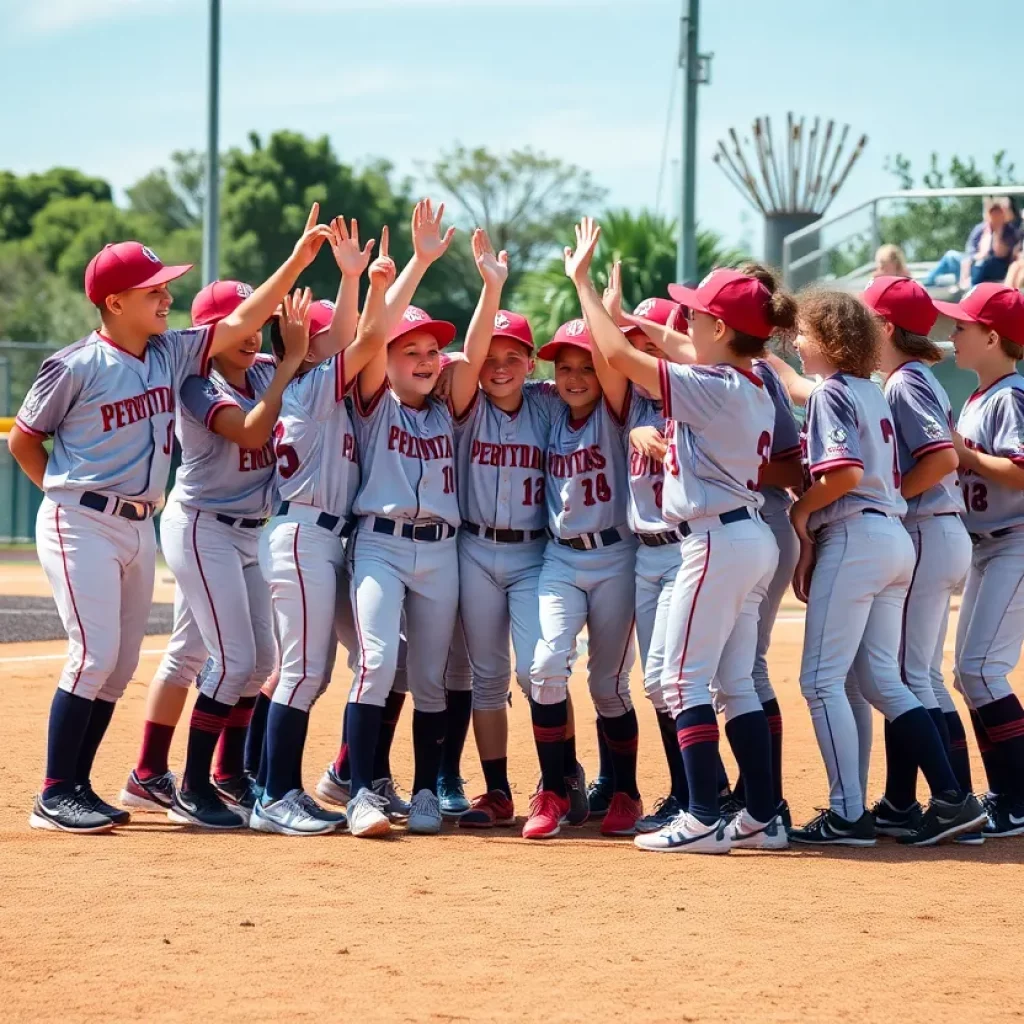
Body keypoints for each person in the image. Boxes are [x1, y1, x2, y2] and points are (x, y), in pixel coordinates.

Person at [10, 206, 333, 833]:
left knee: (121, 663)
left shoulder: (169, 353)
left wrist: (297, 260)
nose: (167, 296)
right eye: (153, 289)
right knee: (93, 655)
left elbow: (240, 319)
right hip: (82, 518)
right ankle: (54, 791)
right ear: (112, 301)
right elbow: (26, 439)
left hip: (140, 523)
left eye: (166, 286)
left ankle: (79, 785)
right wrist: (63, 495)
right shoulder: (74, 364)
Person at [574, 241, 793, 854]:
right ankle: (760, 816)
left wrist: (585, 286)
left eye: (695, 313)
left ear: (721, 327)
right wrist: (628, 314)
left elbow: (615, 356)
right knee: (734, 684)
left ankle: (700, 816)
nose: (685, 321)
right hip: (747, 535)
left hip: (716, 541)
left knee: (678, 680)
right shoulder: (747, 377)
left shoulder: (714, 385)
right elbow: (673, 347)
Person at [785, 288, 985, 847]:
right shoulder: (873, 389)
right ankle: (951, 796)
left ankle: (849, 814)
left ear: (828, 341)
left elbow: (842, 475)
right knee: (883, 680)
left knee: (821, 682)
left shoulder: (831, 392)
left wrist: (802, 514)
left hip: (856, 536)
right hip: (896, 535)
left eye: (804, 334)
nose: (797, 343)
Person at [121, 280, 310, 828]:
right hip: (204, 528)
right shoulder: (196, 384)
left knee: (228, 658)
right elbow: (251, 434)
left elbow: (334, 351)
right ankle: (193, 785)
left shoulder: (262, 369)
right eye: (239, 326)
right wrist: (288, 363)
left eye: (257, 325)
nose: (252, 336)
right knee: (233, 661)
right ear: (211, 334)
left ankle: (198, 775)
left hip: (249, 530)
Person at [252, 226, 395, 837]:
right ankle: (275, 795)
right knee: (304, 672)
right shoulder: (311, 388)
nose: (329, 338)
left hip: (321, 537)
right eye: (317, 336)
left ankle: (267, 782)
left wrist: (348, 281)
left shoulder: (318, 389)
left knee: (324, 664)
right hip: (303, 535)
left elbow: (349, 338)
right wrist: (360, 278)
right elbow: (363, 338)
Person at [440, 229, 575, 828]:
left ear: (530, 363)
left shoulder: (546, 403)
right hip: (474, 547)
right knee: (488, 676)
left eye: (512, 358)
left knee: (538, 666)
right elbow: (468, 362)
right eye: (491, 358)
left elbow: (588, 377)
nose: (499, 368)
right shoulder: (464, 406)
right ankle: (497, 790)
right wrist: (491, 288)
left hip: (534, 555)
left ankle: (559, 779)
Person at [343, 199, 463, 840]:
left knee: (432, 678)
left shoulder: (447, 408)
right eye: (408, 349)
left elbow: (469, 358)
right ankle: (361, 791)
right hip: (381, 546)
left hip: (440, 552)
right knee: (377, 661)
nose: (424, 358)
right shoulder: (372, 403)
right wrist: (413, 265)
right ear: (384, 360)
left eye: (430, 350)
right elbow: (366, 340)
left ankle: (421, 791)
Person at [522, 230, 642, 841]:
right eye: (563, 367)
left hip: (616, 555)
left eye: (583, 365)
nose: (572, 376)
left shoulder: (617, 407)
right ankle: (553, 788)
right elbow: (495, 371)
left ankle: (623, 790)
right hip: (560, 559)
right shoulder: (547, 409)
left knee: (607, 685)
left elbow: (616, 359)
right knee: (544, 667)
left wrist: (585, 285)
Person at [858, 276, 977, 840]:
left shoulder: (904, 382)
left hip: (928, 527)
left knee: (906, 675)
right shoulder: (914, 376)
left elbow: (942, 458)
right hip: (941, 532)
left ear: (884, 327)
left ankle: (953, 803)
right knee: (918, 674)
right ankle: (906, 801)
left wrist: (891, 495)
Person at [936, 283, 1024, 837]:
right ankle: (1006, 796)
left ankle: (1018, 800)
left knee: (982, 671)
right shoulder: (980, 395)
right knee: (969, 675)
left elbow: (1020, 471)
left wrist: (963, 453)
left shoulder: (1011, 394)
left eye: (963, 327)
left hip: (1014, 540)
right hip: (986, 546)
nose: (952, 334)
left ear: (993, 337)